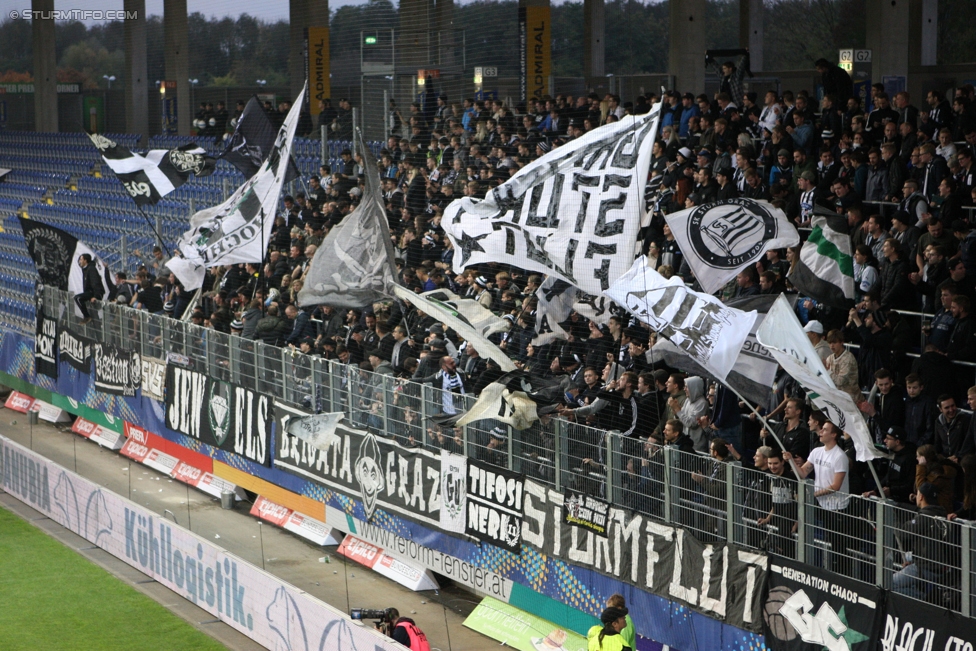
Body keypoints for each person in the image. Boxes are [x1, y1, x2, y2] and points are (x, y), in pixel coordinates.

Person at [785, 420, 851, 575]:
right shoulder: (816, 452)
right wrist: (790, 461)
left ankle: (839, 574)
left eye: (825, 430)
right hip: (821, 505)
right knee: (820, 539)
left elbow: (836, 486)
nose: (821, 432)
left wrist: (814, 494)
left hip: (837, 508)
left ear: (834, 434)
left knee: (837, 547)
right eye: (821, 429)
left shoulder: (840, 456)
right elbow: (802, 473)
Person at [892, 482, 956, 602]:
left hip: (927, 566)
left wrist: (892, 518)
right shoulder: (940, 512)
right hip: (939, 562)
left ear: (921, 497)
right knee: (905, 556)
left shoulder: (924, 517)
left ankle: (919, 597)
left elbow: (902, 532)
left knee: (887, 583)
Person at [75, 253, 104, 323]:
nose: (79, 261)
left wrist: (96, 296)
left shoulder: (91, 269)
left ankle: (87, 316)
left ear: (85, 260)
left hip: (93, 293)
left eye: (81, 259)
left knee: (78, 298)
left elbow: (96, 283)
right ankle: (87, 317)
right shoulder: (86, 269)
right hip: (89, 292)